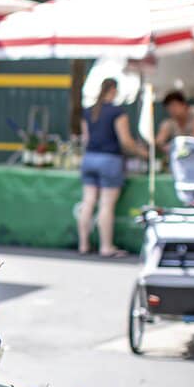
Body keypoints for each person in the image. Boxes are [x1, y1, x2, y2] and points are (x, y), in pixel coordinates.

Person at [77, 78, 148, 257]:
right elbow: (126, 141)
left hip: (89, 158)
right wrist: (143, 153)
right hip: (109, 160)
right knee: (106, 205)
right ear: (114, 90)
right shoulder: (118, 112)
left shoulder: (88, 112)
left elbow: (86, 140)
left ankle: (84, 244)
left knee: (88, 202)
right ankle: (106, 247)